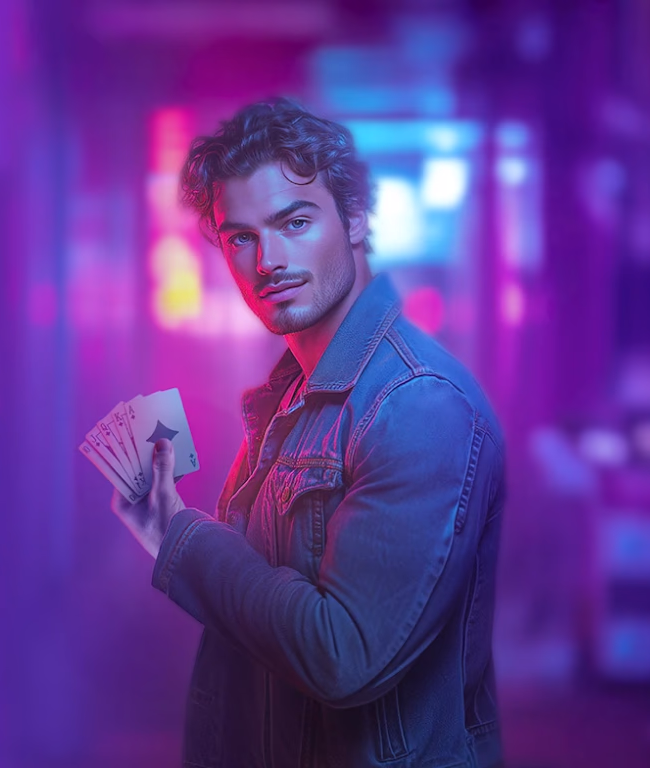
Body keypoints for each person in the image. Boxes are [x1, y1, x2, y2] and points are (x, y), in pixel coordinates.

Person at [111, 98, 506, 768]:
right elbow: (258, 633)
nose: (268, 260)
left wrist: (183, 538)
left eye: (294, 222)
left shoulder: (417, 406)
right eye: (241, 237)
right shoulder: (288, 397)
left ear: (354, 218)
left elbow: (342, 655)